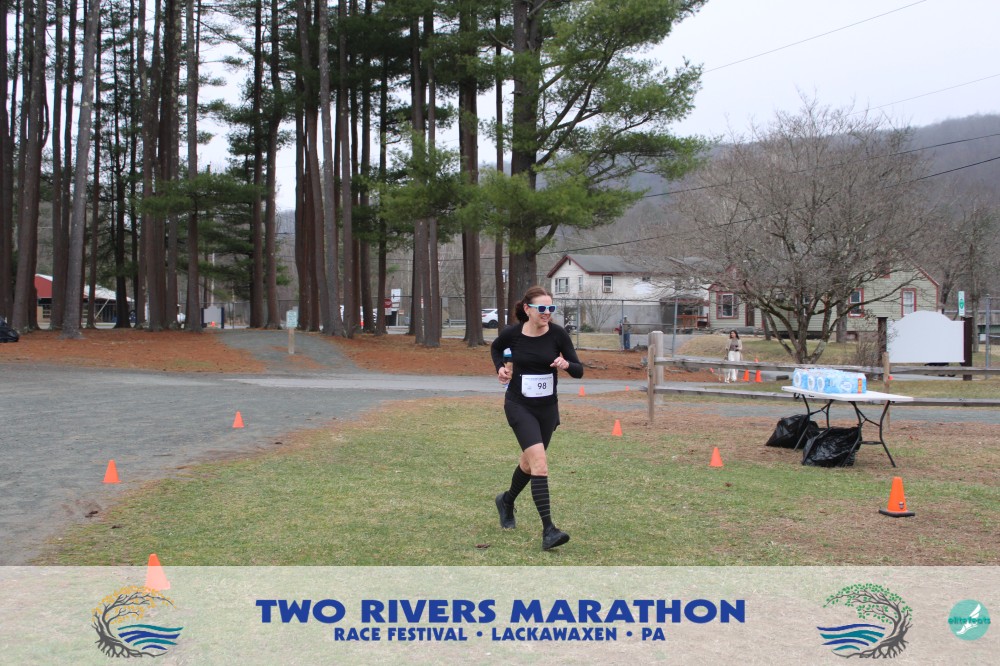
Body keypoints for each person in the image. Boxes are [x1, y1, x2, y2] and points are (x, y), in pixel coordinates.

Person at [491, 286, 583, 551]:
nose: (547, 313)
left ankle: (506, 501)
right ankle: (549, 531)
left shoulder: (558, 334)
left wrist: (566, 365)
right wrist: (500, 368)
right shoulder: (513, 334)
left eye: (551, 308)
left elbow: (579, 370)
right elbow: (496, 349)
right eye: (542, 308)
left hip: (547, 409)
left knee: (529, 464)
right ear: (527, 309)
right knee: (540, 464)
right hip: (519, 406)